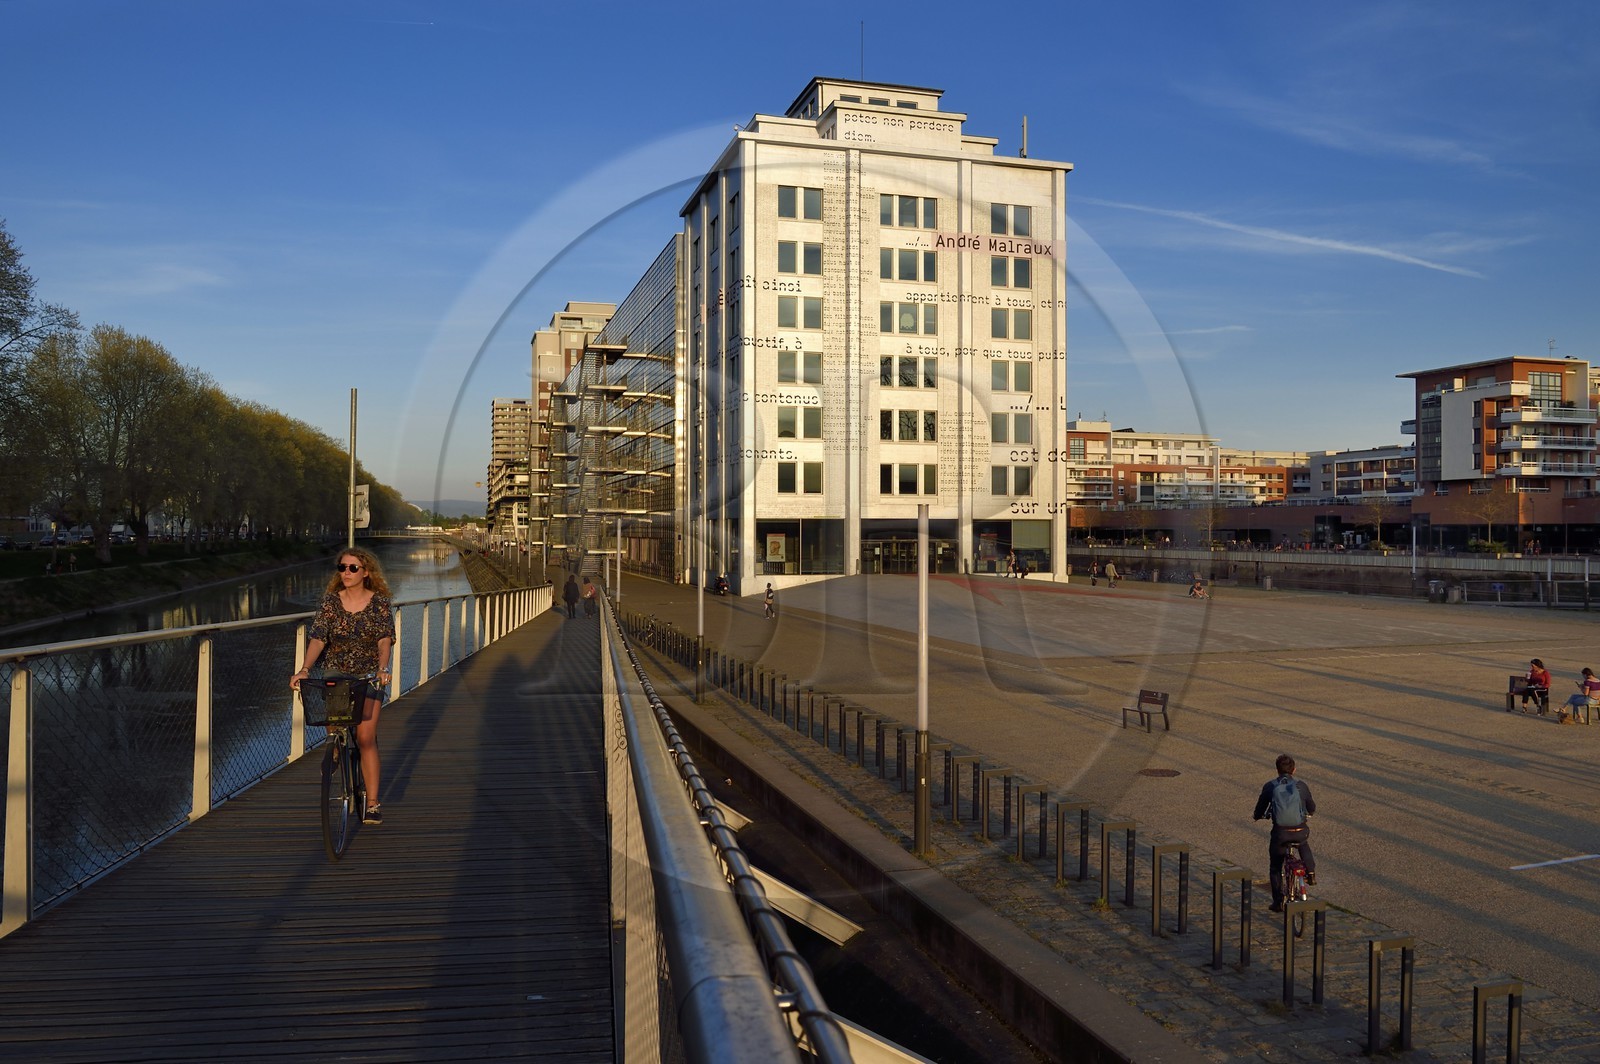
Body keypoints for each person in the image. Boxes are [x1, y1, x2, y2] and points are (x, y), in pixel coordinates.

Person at [290, 547, 395, 825]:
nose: (346, 573)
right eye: (342, 567)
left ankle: (372, 804)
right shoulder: (330, 603)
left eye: (352, 568)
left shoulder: (380, 604)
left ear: (366, 573)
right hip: (336, 672)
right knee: (335, 724)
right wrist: (304, 669)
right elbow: (318, 638)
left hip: (370, 674)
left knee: (365, 738)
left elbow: (384, 639)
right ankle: (335, 747)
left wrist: (383, 668)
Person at [1252, 753, 1317, 912]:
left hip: (1280, 833)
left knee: (1275, 866)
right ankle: (1311, 872)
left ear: (1277, 770)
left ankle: (1278, 902)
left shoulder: (1270, 786)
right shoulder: (1301, 786)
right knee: (1303, 844)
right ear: (1294, 770)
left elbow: (1260, 808)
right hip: (1300, 830)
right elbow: (1312, 808)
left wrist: (1257, 816)